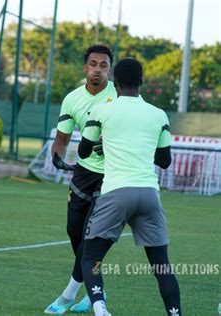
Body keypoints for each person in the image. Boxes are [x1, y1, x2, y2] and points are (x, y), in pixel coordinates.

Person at [78, 58, 181, 316]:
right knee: (161, 267)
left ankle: (101, 310)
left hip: (116, 193)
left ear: (115, 82)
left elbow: (83, 150)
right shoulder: (159, 115)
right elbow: (164, 161)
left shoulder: (102, 109)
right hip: (149, 194)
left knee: (90, 259)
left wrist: (105, 143)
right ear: (141, 82)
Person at [45, 45, 117, 314]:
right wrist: (57, 157)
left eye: (104, 65)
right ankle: (94, 289)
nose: (98, 69)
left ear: (109, 69)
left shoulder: (120, 96)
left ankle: (68, 295)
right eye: (93, 64)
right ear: (85, 67)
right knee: (74, 231)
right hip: (83, 172)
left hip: (112, 174)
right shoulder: (72, 99)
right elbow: (61, 140)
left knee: (90, 236)